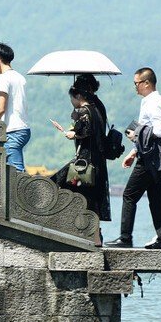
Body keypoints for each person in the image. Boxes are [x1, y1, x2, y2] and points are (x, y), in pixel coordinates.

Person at [107, 67, 161, 249]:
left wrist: (136, 133)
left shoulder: (154, 103)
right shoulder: (148, 101)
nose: (135, 87)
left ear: (147, 83)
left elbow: (158, 131)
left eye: (136, 83)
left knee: (129, 195)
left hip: (151, 157)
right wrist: (133, 152)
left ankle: (125, 238)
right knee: (156, 199)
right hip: (151, 155)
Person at [50, 85, 111, 236]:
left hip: (85, 161)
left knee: (61, 183)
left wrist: (73, 134)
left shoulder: (84, 110)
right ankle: (94, 235)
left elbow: (85, 131)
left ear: (78, 97)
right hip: (97, 160)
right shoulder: (97, 108)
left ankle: (81, 231)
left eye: (72, 98)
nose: (71, 101)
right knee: (91, 198)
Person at [0, 43, 30, 171]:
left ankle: (24, 191)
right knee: (13, 170)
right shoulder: (19, 77)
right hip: (24, 128)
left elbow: (1, 108)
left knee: (16, 172)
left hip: (13, 130)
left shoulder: (3, 78)